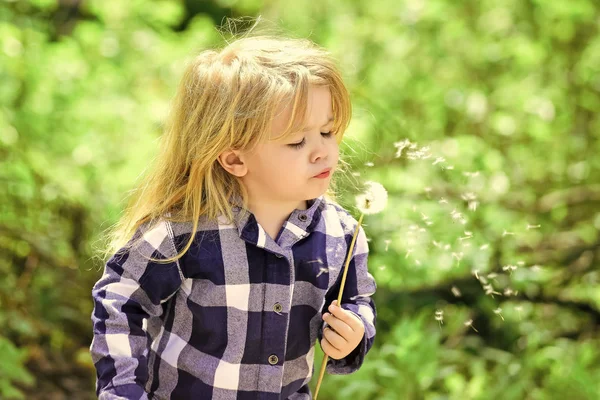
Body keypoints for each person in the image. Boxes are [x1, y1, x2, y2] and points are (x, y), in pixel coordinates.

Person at [90, 32, 377, 400]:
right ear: (235, 159)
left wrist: (353, 332)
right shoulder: (186, 231)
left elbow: (358, 303)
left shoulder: (342, 235)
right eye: (296, 141)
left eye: (327, 131)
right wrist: (123, 390)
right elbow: (121, 301)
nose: (323, 151)